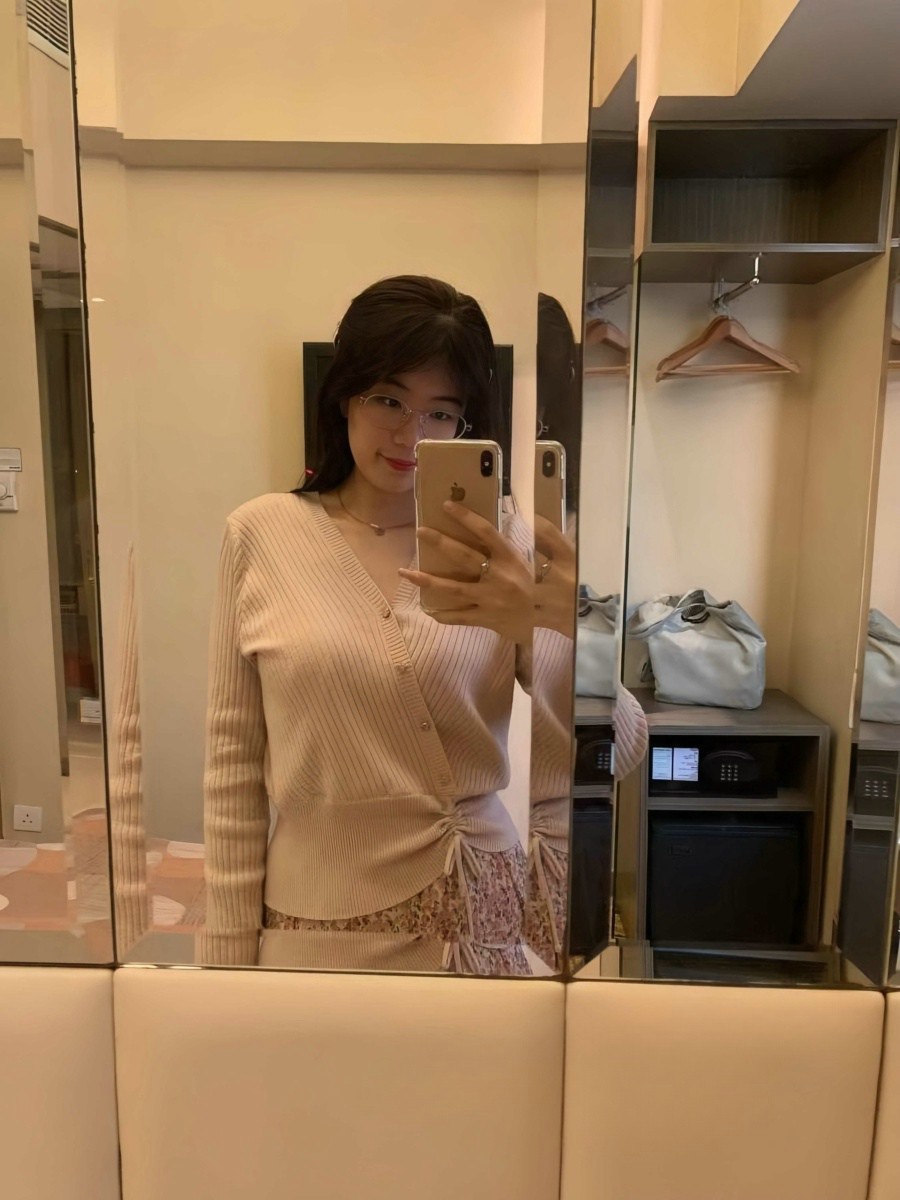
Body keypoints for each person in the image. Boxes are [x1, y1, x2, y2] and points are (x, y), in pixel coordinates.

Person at [200, 275, 535, 974]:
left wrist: (542, 622)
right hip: (314, 919)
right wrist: (227, 962)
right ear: (345, 394)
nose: (411, 434)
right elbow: (232, 766)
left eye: (441, 412)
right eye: (388, 400)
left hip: (476, 916)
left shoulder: (504, 542)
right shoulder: (260, 534)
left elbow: (618, 744)